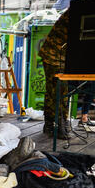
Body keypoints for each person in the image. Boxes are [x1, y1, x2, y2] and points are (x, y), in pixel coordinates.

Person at [38, 10, 70, 139]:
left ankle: (51, 124)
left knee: (55, 91)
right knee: (58, 91)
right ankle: (57, 125)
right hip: (54, 56)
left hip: (59, 56)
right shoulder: (81, 11)